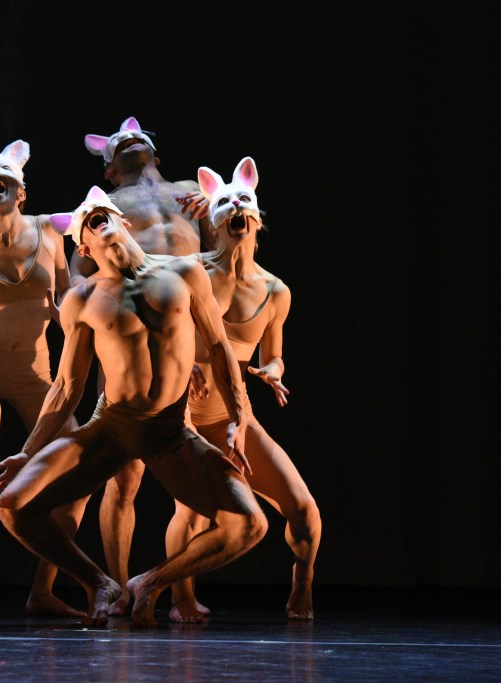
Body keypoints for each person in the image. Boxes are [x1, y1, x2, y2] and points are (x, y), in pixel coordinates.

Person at [0, 187, 267, 627]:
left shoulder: (185, 272)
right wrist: (28, 451)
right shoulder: (82, 299)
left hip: (171, 430)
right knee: (11, 505)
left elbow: (219, 348)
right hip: (112, 427)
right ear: (83, 246)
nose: (98, 217)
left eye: (104, 213)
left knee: (249, 525)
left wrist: (240, 418)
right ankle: (98, 582)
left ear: (125, 222)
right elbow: (67, 386)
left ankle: (149, 582)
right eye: (88, 219)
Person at [171, 158, 320, 621]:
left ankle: (302, 583)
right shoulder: (190, 270)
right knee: (191, 514)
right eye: (226, 203)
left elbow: (273, 354)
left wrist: (273, 369)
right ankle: (181, 598)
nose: (236, 208)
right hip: (183, 415)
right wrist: (184, 365)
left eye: (243, 201)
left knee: (304, 512)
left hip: (234, 417)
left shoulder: (276, 291)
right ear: (215, 221)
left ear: (256, 218)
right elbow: (158, 331)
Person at [77, 116, 215, 615]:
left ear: (156, 152)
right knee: (123, 476)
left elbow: (218, 266)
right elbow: (80, 276)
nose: (128, 135)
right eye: (118, 143)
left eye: (138, 136)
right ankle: (117, 590)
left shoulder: (192, 193)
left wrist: (216, 210)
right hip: (129, 350)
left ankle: (181, 594)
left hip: (187, 346)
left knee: (192, 480)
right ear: (109, 169)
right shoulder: (105, 208)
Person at [0, 140, 86, 617]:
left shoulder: (49, 232)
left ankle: (43, 589)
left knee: (78, 468)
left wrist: (67, 316)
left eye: (6, 178)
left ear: (21, 192)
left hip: (35, 370)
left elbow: (67, 295)